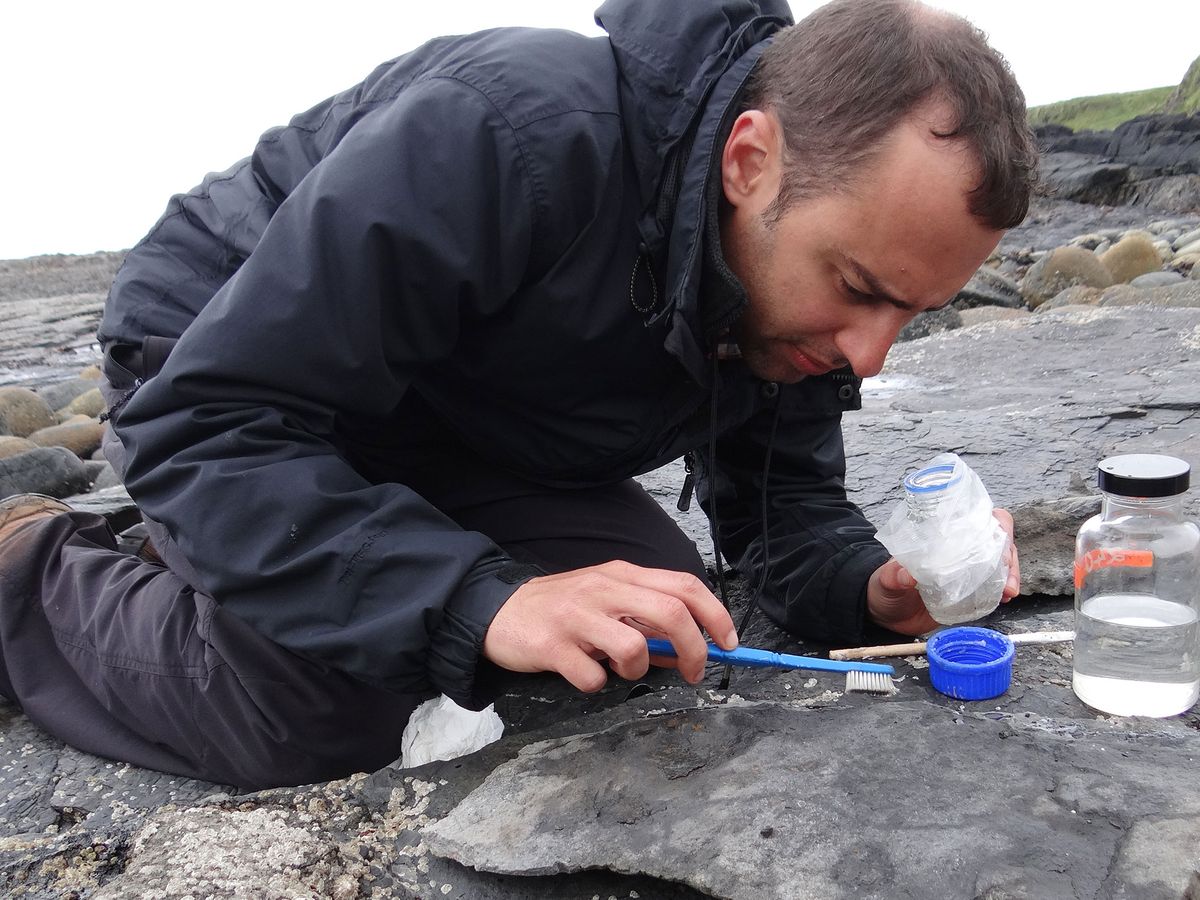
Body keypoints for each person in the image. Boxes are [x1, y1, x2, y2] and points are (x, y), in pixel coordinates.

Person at [0, 0, 1035, 789]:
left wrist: (869, 587)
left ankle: (242, 549)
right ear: (750, 160)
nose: (871, 357)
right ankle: (34, 571)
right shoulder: (513, 134)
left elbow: (782, 512)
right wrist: (484, 598)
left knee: (653, 632)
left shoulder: (788, 307)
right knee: (342, 710)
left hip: (454, 417)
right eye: (859, 290)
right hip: (226, 368)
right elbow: (212, 424)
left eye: (913, 312)